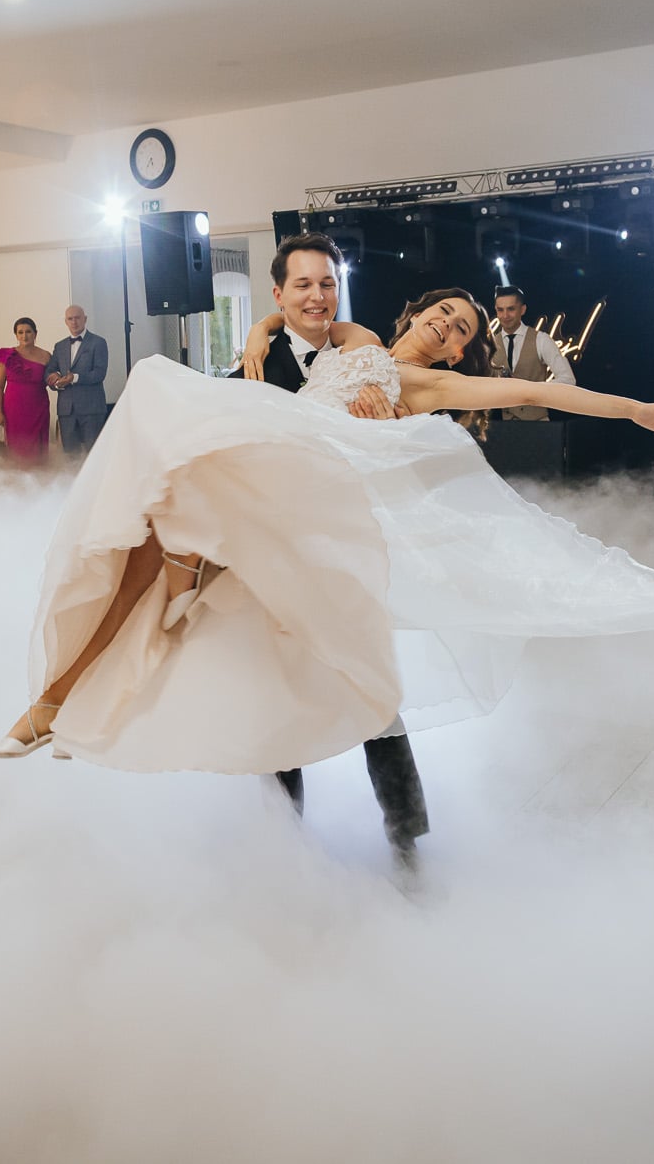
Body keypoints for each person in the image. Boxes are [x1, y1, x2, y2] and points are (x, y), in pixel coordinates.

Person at [0, 286, 654, 874]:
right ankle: (76, 700)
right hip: (267, 493)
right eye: (442, 312)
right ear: (415, 314)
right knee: (212, 615)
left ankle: (406, 848)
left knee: (365, 692)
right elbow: (289, 314)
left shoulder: (429, 383)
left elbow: (534, 392)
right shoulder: (352, 341)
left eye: (460, 327)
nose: (447, 326)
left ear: (457, 349)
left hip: (323, 534)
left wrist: (634, 411)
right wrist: (259, 328)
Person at [216, 235, 425, 854]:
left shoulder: (362, 358)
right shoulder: (245, 376)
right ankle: (286, 849)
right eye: (302, 285)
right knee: (278, 707)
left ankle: (407, 843)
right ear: (278, 295)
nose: (317, 296)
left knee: (376, 697)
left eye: (327, 283)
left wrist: (387, 428)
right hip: (275, 563)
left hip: (345, 557)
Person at [489, 285, 577, 419]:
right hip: (502, 426)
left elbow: (568, 380)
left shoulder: (541, 340)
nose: (505, 315)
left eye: (511, 309)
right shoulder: (491, 345)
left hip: (538, 424)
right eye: (500, 310)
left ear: (522, 309)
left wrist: (532, 390)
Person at [46, 305, 109, 454]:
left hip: (92, 409)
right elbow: (48, 371)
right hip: (66, 410)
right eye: (70, 319)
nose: (74, 322)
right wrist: (55, 380)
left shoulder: (98, 342)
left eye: (77, 318)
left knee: (94, 454)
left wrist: (74, 378)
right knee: (70, 456)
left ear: (85, 319)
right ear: (65, 322)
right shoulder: (59, 346)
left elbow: (100, 373)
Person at [0, 317, 54, 464]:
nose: (24, 336)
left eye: (28, 332)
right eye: (20, 332)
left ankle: (39, 475)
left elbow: (51, 380)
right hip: (13, 410)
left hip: (38, 408)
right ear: (16, 335)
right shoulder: (7, 356)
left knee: (38, 451)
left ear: (35, 334)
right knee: (16, 448)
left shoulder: (46, 356)